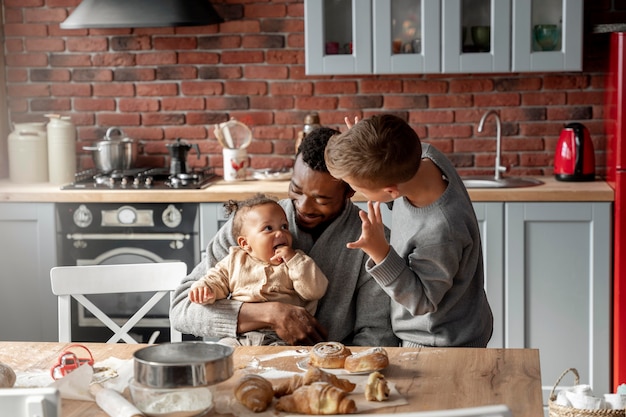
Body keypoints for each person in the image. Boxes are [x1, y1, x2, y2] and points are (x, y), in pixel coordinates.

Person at [170, 127, 399, 347]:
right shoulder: (250, 222)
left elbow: (376, 336)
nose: (303, 206)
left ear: (350, 191)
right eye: (296, 190)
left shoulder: (374, 242)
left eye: (321, 199)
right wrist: (271, 314)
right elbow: (182, 310)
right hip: (243, 355)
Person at [324, 114, 493, 348]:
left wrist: (381, 252)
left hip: (439, 343)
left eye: (358, 189)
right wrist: (362, 148)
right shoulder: (424, 158)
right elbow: (385, 154)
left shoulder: (441, 231)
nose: (355, 193)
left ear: (391, 191)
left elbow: (422, 300)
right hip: (452, 327)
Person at [188, 194, 329, 345]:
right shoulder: (234, 261)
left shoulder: (296, 261)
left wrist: (294, 260)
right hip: (240, 336)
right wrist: (205, 289)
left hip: (283, 337)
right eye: (268, 228)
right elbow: (215, 280)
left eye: (284, 226)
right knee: (224, 350)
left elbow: (315, 290)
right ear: (245, 243)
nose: (281, 233)